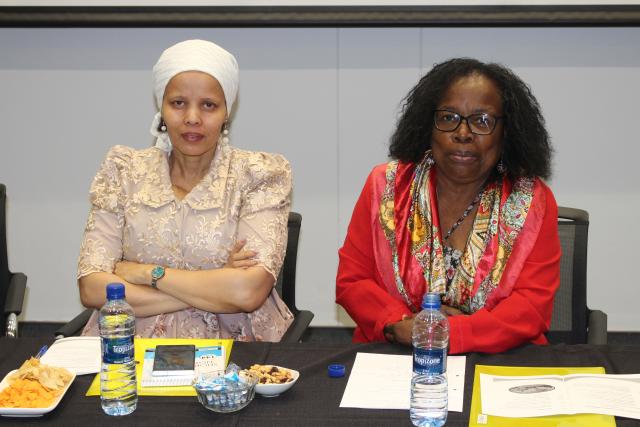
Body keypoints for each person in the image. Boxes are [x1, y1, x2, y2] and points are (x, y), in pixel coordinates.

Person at [336, 58, 560, 354]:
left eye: (482, 121)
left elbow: (531, 308)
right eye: (449, 117)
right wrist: (400, 324)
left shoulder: (531, 201)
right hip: (396, 354)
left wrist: (452, 333)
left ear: (507, 133)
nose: (463, 133)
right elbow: (353, 281)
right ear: (428, 125)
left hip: (499, 357)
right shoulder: (386, 186)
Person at [77, 39, 293, 341]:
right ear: (161, 109)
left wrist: (147, 274)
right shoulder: (123, 171)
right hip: (128, 348)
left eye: (209, 105)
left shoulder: (257, 175)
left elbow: (248, 292)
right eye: (178, 103)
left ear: (226, 112)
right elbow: (92, 287)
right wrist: (216, 286)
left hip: (235, 348)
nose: (192, 117)